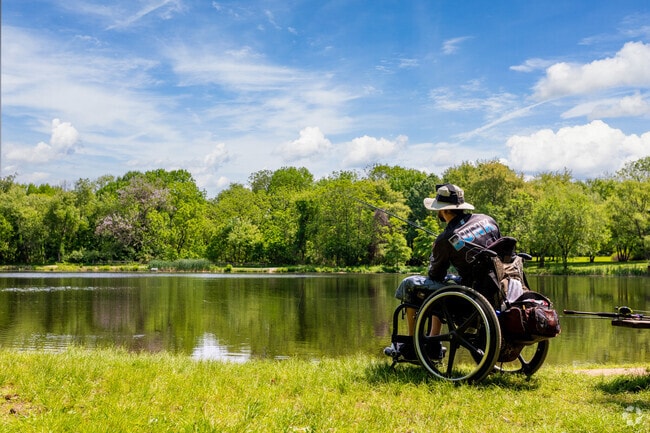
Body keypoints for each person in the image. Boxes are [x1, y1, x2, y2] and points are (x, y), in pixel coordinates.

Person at [388, 183, 501, 360]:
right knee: (445, 283)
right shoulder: (487, 220)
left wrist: (438, 249)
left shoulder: (446, 237)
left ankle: (411, 344)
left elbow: (435, 275)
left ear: (444, 211)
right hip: (497, 287)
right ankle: (433, 340)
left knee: (410, 285)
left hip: (471, 296)